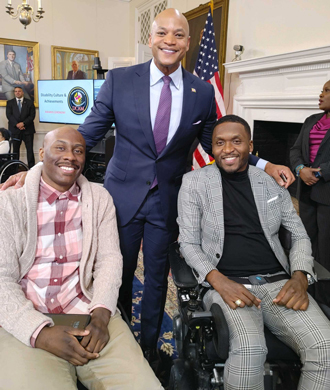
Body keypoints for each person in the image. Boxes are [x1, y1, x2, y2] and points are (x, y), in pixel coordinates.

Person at [0, 9, 294, 367]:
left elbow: (217, 143)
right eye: (163, 33)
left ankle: (150, 349)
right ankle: (109, 338)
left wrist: (265, 164)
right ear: (151, 39)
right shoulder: (121, 80)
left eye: (179, 35)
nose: (170, 40)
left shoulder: (200, 92)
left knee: (157, 279)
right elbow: (86, 134)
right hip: (120, 198)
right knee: (113, 273)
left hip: (166, 201)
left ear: (187, 43)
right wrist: (33, 170)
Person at [0, 127, 162, 390]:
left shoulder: (99, 198)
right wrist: (39, 332)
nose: (71, 156)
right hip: (27, 318)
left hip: (87, 313)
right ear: (42, 153)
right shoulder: (9, 202)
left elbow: (109, 259)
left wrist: (101, 315)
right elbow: (1, 279)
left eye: (78, 151)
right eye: (60, 148)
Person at [177, 114, 330, 389]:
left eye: (236, 141)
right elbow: (187, 242)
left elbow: (298, 234)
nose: (228, 149)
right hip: (228, 284)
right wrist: (219, 282)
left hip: (278, 284)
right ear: (211, 148)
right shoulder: (194, 183)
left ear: (250, 145)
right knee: (250, 349)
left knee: (326, 348)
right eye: (220, 143)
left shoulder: (270, 182)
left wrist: (299, 276)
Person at [290, 80, 330, 305]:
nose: (321, 94)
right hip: (305, 192)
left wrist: (319, 173)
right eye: (322, 90)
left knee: (326, 249)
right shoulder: (311, 121)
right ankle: (308, 290)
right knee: (306, 242)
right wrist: (300, 170)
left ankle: (325, 301)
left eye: (327, 90)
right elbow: (295, 150)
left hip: (326, 194)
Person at [6, 86, 36, 168]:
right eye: (16, 91)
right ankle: (15, 168)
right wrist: (17, 124)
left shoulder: (29, 102)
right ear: (14, 93)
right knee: (15, 151)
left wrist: (23, 123)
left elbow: (32, 116)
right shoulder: (10, 103)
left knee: (29, 150)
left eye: (19, 91)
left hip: (28, 130)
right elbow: (9, 115)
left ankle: (31, 168)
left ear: (22, 92)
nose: (17, 92)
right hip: (15, 130)